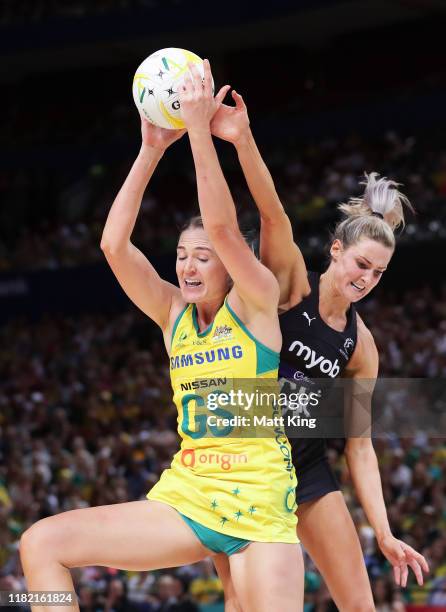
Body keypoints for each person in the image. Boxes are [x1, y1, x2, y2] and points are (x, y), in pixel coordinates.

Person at [19, 60, 304, 612]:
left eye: (204, 259)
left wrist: (200, 130)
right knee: (41, 542)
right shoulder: (173, 313)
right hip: (189, 496)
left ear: (230, 264)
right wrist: (151, 149)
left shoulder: (257, 298)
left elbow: (222, 228)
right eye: (181, 257)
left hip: (260, 504)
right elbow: (113, 246)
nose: (190, 267)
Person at [209, 90, 429, 611]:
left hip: (306, 469)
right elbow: (272, 214)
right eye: (360, 265)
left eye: (378, 273)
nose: (367, 279)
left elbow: (360, 445)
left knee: (360, 605)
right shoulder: (290, 287)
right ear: (336, 251)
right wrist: (241, 139)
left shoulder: (361, 346)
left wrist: (384, 529)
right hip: (244, 461)